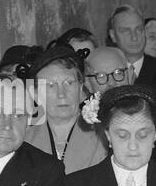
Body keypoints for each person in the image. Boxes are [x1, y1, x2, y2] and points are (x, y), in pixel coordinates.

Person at [21, 42, 107, 173]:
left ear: (81, 89)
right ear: (35, 93)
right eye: (51, 85)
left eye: (69, 83)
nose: (61, 94)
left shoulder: (104, 136)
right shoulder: (24, 141)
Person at [107, 5, 156, 101]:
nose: (134, 37)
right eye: (126, 31)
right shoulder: (104, 72)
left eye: (139, 29)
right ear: (113, 35)